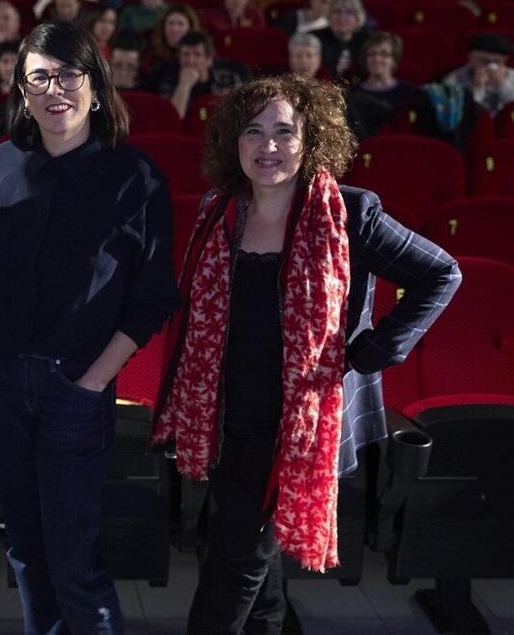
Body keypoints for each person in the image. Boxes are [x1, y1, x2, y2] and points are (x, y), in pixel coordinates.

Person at [151, 74, 461, 633]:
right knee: (255, 567)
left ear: (310, 139)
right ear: (233, 142)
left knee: (235, 563)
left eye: (284, 131)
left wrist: (373, 350)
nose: (268, 145)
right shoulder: (218, 210)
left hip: (296, 423)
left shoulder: (350, 213)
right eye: (253, 131)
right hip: (223, 416)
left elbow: (441, 272)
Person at [0, 20, 179, 635]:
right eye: (39, 77)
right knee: (26, 554)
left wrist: (90, 384)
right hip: (2, 383)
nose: (54, 89)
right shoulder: (1, 166)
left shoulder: (134, 177)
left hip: (74, 390)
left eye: (67, 75)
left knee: (74, 561)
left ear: (94, 83)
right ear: (21, 89)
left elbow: (151, 300)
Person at [150, 31, 250, 118]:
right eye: (186, 54)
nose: (191, 60)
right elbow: (172, 119)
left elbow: (240, 116)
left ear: (209, 60)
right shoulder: (168, 83)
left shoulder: (229, 79)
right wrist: (184, 86)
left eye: (197, 54)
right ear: (179, 59)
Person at [442, 32, 514, 116]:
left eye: (497, 62)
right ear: (471, 58)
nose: (490, 66)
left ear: (505, 60)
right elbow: (454, 114)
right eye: (484, 61)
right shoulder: (454, 78)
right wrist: (478, 90)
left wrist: (501, 85)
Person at [355, 31, 417, 122]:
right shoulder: (354, 94)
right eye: (372, 54)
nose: (377, 58)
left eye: (384, 54)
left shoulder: (410, 92)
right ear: (365, 60)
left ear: (394, 61)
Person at [312, 0, 369, 80]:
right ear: (329, 16)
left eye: (349, 13)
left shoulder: (367, 41)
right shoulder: (315, 39)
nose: (342, 17)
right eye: (337, 12)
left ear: (358, 18)